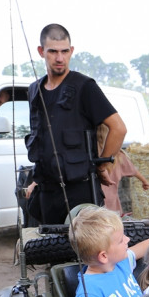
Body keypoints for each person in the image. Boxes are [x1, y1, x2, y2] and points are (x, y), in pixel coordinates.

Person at [25, 23, 126, 225]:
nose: (60, 58)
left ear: (71, 51)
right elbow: (43, 141)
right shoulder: (34, 90)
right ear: (41, 52)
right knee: (50, 252)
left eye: (64, 51)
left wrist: (102, 166)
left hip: (80, 191)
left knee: (84, 254)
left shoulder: (84, 86)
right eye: (52, 52)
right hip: (46, 193)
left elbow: (119, 128)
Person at [96, 124, 149, 216]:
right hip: (112, 201)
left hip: (96, 200)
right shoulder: (118, 155)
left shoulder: (93, 155)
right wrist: (145, 181)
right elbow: (133, 170)